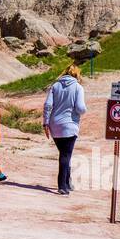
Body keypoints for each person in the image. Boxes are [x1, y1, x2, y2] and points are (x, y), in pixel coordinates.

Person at [43, 64, 87, 195]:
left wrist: (45, 123)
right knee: (65, 155)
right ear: (76, 75)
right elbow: (80, 108)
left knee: (64, 154)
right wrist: (84, 110)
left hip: (54, 126)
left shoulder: (55, 86)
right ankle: (62, 185)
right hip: (69, 125)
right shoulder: (78, 87)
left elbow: (48, 105)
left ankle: (68, 182)